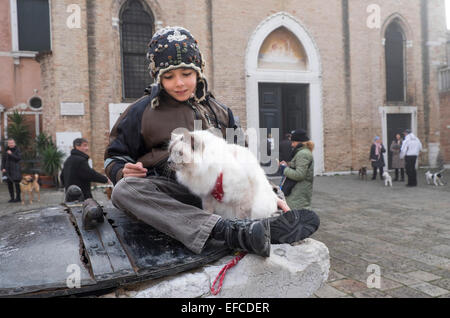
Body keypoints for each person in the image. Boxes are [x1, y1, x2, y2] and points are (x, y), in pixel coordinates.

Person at [105, 26, 320, 258]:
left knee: (262, 190)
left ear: (199, 72)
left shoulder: (221, 111)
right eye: (169, 77)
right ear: (158, 77)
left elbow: (245, 161)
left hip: (224, 192)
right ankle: (226, 230)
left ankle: (260, 225)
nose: (179, 83)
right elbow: (113, 156)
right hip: (174, 195)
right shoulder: (141, 111)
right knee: (125, 190)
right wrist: (120, 170)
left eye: (186, 74)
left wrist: (270, 192)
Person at [278, 129, 314, 210]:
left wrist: (284, 169)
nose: (292, 144)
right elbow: (298, 167)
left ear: (299, 142)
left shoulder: (303, 154)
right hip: (296, 192)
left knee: (297, 217)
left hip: (298, 193)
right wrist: (287, 165)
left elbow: (299, 175)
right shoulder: (302, 152)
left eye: (293, 142)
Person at [1, 138, 22, 203]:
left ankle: (18, 198)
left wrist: (11, 154)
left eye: (12, 143)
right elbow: (3, 160)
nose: (11, 144)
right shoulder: (6, 150)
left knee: (17, 184)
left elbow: (18, 158)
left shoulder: (17, 150)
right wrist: (2, 168)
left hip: (15, 170)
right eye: (9, 143)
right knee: (9, 184)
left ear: (14, 143)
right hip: (7, 170)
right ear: (8, 144)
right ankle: (12, 198)